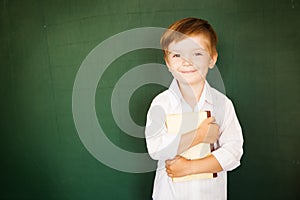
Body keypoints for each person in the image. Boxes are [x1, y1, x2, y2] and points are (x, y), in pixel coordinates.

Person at [145, 17, 244, 200]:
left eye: (197, 54)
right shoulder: (161, 104)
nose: (187, 61)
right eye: (177, 55)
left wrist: (190, 167)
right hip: (169, 195)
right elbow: (156, 148)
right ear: (167, 62)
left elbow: (233, 152)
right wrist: (199, 135)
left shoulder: (222, 104)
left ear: (212, 59)